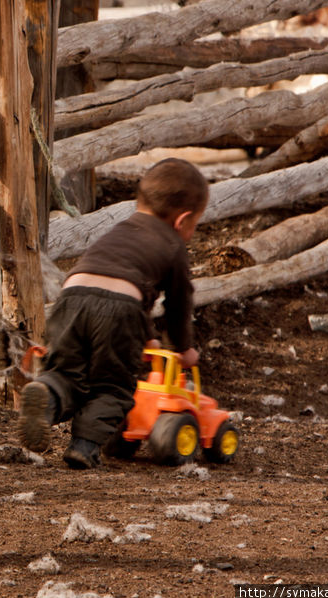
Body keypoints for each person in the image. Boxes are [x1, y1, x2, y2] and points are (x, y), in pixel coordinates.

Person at [17, 158, 208, 469]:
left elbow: (120, 279)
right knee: (113, 386)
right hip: (120, 309)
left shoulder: (120, 230)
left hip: (71, 297)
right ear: (182, 220)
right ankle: (84, 446)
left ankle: (47, 395)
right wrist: (183, 347)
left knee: (67, 372)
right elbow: (178, 302)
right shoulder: (173, 244)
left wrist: (146, 336)